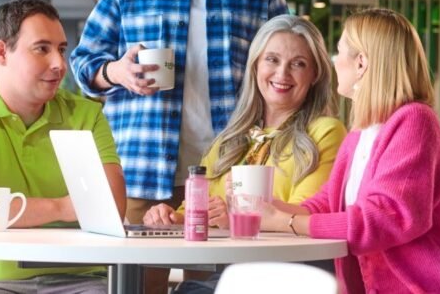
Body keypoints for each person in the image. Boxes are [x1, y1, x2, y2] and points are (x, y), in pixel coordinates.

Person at [69, 0, 288, 230]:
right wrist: (116, 72)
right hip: (143, 173)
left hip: (232, 176)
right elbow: (83, 63)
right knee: (140, 270)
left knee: (225, 270)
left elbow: (288, 73)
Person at [260, 8, 440, 293]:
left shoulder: (414, 121)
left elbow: (386, 218)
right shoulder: (360, 133)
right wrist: (270, 209)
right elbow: (328, 203)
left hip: (422, 286)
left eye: (339, 52)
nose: (334, 62)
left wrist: (287, 223)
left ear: (361, 63)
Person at [143, 15, 346, 294]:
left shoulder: (326, 132)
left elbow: (308, 215)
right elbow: (191, 212)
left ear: (315, 75)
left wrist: (236, 216)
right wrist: (167, 217)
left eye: (298, 63)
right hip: (234, 275)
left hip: (290, 275)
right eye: (272, 59)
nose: (282, 73)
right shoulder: (229, 140)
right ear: (255, 66)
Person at [0, 0, 126, 294]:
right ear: (2, 52)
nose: (60, 64)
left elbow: (112, 207)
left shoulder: (86, 114)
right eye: (42, 49)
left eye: (61, 50)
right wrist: (62, 207)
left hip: (84, 280)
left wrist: (6, 210)